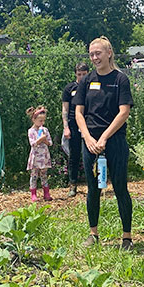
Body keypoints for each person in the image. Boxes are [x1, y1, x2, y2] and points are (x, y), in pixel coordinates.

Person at [73, 37, 134, 250]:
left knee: (120, 187)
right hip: (90, 143)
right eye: (91, 54)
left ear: (109, 53)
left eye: (98, 53)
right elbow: (79, 113)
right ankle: (93, 233)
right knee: (93, 189)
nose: (94, 58)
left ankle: (126, 237)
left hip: (114, 140)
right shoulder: (86, 81)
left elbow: (123, 111)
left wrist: (104, 137)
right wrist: (88, 138)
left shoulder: (120, 80)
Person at [62, 62, 90, 197]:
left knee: (91, 154)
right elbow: (65, 109)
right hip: (73, 125)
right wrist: (66, 127)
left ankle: (93, 183)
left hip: (90, 124)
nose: (82, 77)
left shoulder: (92, 86)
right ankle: (72, 185)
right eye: (79, 74)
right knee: (74, 156)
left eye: (84, 74)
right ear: (75, 74)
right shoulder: (70, 88)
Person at [26, 106, 53, 202]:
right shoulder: (31, 131)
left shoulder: (45, 130)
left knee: (44, 174)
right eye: (40, 120)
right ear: (34, 119)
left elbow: (50, 143)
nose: (42, 123)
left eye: (43, 121)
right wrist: (39, 139)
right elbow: (32, 143)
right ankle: (33, 193)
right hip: (35, 157)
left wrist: (45, 140)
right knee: (34, 175)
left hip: (44, 156)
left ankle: (46, 193)